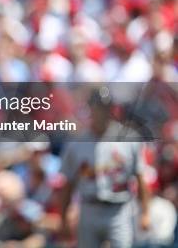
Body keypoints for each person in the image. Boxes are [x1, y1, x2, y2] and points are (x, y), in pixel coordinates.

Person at [59, 86, 150, 248]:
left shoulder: (128, 138)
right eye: (97, 107)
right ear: (90, 109)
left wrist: (145, 213)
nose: (100, 112)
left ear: (111, 109)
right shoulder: (77, 143)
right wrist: (63, 218)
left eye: (104, 107)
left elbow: (141, 177)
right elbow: (68, 184)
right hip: (89, 208)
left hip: (119, 209)